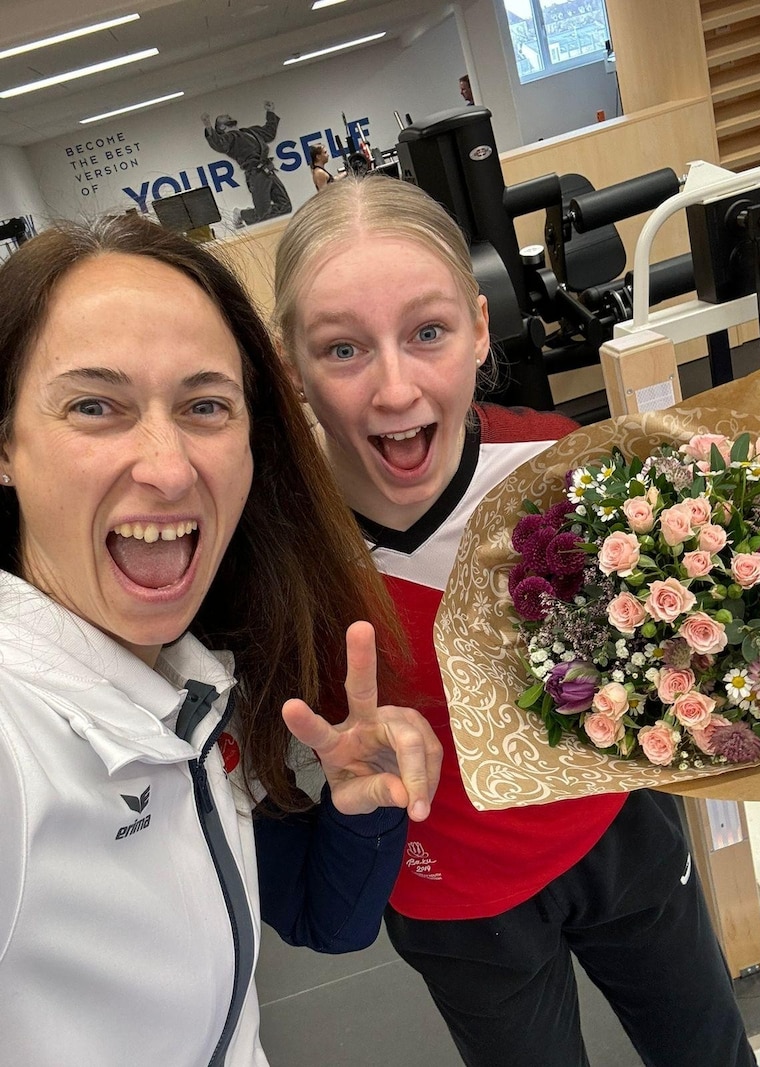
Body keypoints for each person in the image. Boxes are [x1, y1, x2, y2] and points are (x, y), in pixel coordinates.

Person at [272, 175, 758, 1067]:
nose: (393, 387)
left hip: (617, 836)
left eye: (429, 332)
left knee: (709, 1051)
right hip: (458, 903)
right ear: (291, 365)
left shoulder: (557, 465)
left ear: (481, 328)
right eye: (342, 349)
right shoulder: (282, 554)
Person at [0, 212, 442, 1067]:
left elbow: (329, 921)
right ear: (7, 442)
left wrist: (361, 810)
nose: (168, 466)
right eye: (96, 405)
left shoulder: (193, 685)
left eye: (206, 405)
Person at [202, 100, 292, 225]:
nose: (228, 115)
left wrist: (270, 112)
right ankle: (242, 214)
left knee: (285, 206)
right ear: (222, 127)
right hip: (255, 174)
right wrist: (208, 127)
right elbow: (219, 144)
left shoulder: (251, 131)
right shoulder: (230, 138)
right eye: (224, 117)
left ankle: (248, 214)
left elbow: (269, 133)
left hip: (267, 170)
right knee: (263, 213)